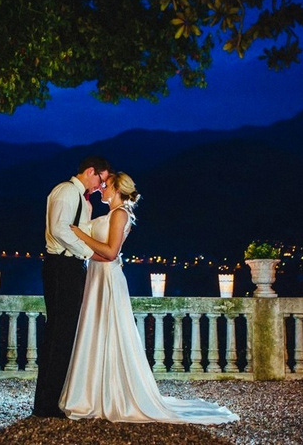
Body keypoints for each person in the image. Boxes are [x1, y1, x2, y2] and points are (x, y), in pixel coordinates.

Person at [59, 172, 240, 424]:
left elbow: (111, 252)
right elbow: (97, 248)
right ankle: (92, 392)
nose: (102, 188)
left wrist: (79, 234)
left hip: (108, 279)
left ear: (118, 190)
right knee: (95, 331)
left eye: (106, 185)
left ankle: (111, 395)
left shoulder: (121, 214)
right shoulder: (109, 213)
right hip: (96, 276)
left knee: (109, 331)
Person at [33, 156, 112, 418]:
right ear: (90, 172)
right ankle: (45, 403)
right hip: (61, 266)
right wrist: (88, 253)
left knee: (64, 334)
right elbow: (59, 230)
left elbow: (75, 230)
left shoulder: (82, 200)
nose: (101, 187)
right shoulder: (66, 191)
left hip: (71, 267)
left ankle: (52, 398)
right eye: (101, 180)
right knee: (59, 333)